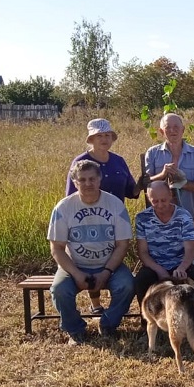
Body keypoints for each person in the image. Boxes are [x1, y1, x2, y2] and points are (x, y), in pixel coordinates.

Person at [66, 118, 148, 315]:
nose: (104, 139)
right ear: (91, 139)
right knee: (92, 256)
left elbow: (131, 191)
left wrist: (141, 183)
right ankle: (95, 304)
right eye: (99, 136)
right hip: (88, 218)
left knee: (113, 257)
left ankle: (114, 308)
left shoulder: (118, 161)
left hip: (115, 218)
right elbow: (70, 196)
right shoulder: (81, 162)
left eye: (107, 135)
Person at [48, 160, 135, 344]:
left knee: (127, 285)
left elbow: (122, 244)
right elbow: (56, 248)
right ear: (75, 182)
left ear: (100, 179)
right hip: (75, 265)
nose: (88, 184)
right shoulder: (63, 208)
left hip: (110, 264)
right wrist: (76, 274)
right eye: (82, 179)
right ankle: (75, 330)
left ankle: (108, 324)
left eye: (92, 179)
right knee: (59, 289)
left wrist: (107, 272)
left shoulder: (115, 204)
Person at [144, 113, 194, 268]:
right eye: (168, 127)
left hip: (191, 211)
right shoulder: (152, 153)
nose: (172, 130)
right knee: (162, 251)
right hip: (161, 214)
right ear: (161, 131)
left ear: (183, 129)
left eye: (176, 127)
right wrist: (163, 175)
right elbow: (146, 183)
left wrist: (182, 183)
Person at [134, 180, 194, 308]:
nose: (160, 205)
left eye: (163, 200)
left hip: (180, 264)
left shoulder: (184, 216)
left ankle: (193, 316)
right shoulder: (142, 218)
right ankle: (147, 320)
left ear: (170, 195)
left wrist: (182, 268)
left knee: (192, 278)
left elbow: (190, 250)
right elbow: (142, 252)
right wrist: (159, 270)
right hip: (154, 265)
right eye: (155, 201)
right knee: (142, 279)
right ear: (149, 199)